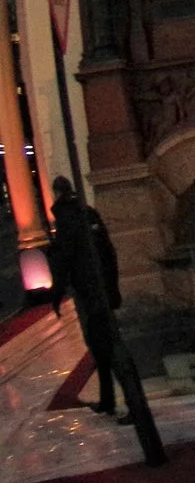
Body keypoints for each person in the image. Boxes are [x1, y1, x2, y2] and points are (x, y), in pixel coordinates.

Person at [48, 177, 125, 420]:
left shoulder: (65, 218)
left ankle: (120, 399)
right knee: (106, 344)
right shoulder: (88, 213)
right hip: (101, 288)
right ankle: (108, 398)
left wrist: (57, 293)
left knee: (102, 345)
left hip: (86, 292)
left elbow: (64, 259)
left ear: (57, 193)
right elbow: (108, 251)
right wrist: (112, 287)